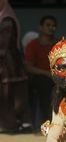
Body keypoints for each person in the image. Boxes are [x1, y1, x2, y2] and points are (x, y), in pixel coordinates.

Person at [0, 0, 31, 133]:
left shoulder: (6, 20)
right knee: (14, 94)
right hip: (11, 64)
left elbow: (3, 44)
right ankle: (20, 123)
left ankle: (11, 124)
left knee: (8, 95)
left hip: (7, 64)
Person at [25, 15, 57, 132]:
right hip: (40, 77)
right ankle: (46, 125)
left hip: (58, 76)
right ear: (41, 27)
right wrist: (47, 73)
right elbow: (28, 67)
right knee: (44, 86)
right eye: (48, 25)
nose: (51, 28)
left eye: (53, 26)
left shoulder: (58, 44)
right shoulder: (33, 45)